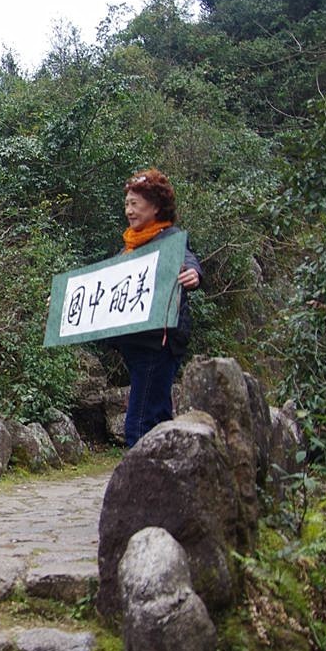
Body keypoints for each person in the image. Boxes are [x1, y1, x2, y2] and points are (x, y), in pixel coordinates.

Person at [109, 169, 203, 447]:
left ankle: (139, 487)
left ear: (156, 207)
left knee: (140, 424)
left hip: (157, 345)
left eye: (135, 203)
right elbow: (102, 285)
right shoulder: (129, 246)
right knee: (158, 417)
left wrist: (194, 275)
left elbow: (189, 260)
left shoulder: (169, 240)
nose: (129, 210)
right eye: (127, 203)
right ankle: (168, 481)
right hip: (136, 344)